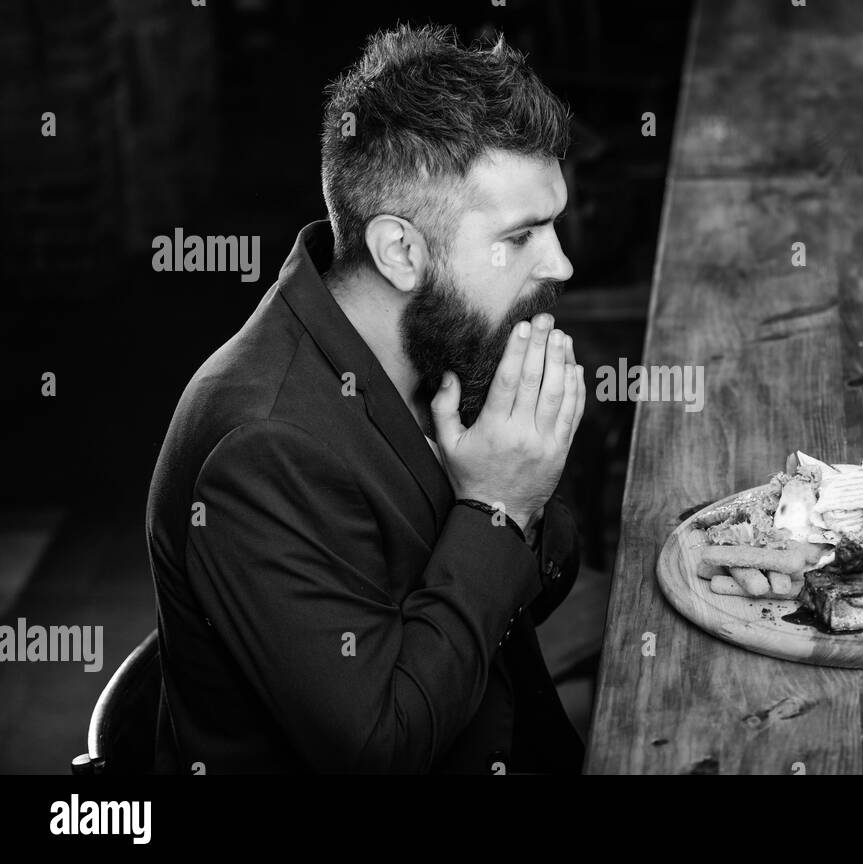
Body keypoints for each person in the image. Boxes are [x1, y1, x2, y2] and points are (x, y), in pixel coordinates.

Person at [146, 23, 586, 773]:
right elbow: (379, 747)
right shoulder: (263, 446)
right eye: (522, 236)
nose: (562, 264)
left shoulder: (440, 341)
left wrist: (513, 495)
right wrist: (498, 508)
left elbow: (530, 589)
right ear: (401, 252)